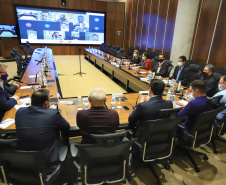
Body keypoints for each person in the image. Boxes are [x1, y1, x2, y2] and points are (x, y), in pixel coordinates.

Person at [15, 89, 70, 175]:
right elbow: (66, 127)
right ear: (46, 103)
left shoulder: (19, 112)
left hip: (25, 161)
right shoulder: (52, 113)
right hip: (48, 162)